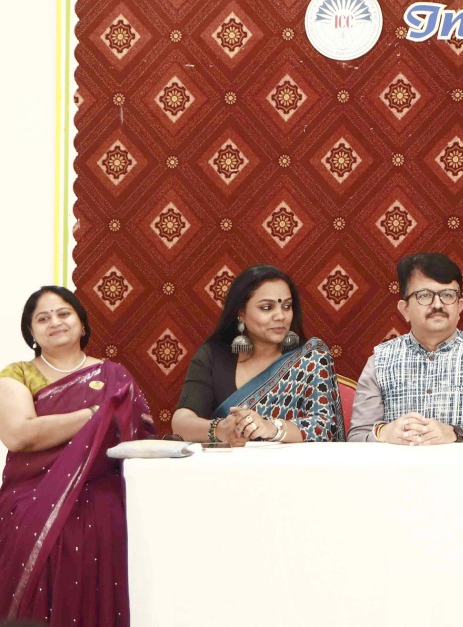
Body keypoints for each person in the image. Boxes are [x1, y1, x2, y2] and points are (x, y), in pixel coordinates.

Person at [0, 286, 155, 625]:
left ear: (82, 325)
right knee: (33, 526)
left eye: (64, 313)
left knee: (107, 518)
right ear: (31, 332)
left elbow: (138, 437)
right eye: (43, 318)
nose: (54, 322)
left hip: (102, 487)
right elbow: (19, 434)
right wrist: (92, 416)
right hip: (31, 493)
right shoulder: (18, 375)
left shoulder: (115, 376)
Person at [347, 253, 463, 444]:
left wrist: (455, 435)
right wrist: (384, 433)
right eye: (424, 295)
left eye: (447, 295)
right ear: (405, 309)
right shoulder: (380, 361)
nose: (437, 304)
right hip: (396, 472)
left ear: (459, 306)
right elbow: (357, 438)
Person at [173, 265, 343, 445]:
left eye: (286, 306)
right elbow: (181, 421)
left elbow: (325, 429)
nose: (280, 316)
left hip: (295, 469)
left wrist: (272, 428)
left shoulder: (311, 358)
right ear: (241, 313)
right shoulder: (213, 356)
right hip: (226, 468)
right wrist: (219, 429)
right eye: (267, 307)